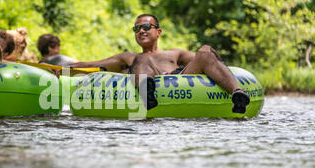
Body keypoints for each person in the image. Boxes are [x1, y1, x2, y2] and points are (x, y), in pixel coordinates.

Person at [69, 14, 250, 113]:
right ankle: (146, 93)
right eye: (137, 29)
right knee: (141, 58)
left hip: (177, 79)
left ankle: (237, 93)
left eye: (146, 27)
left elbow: (205, 59)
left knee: (205, 50)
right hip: (148, 78)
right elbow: (93, 65)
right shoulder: (129, 57)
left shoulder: (174, 53)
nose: (141, 31)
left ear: (159, 31)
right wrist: (63, 71)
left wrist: (209, 50)